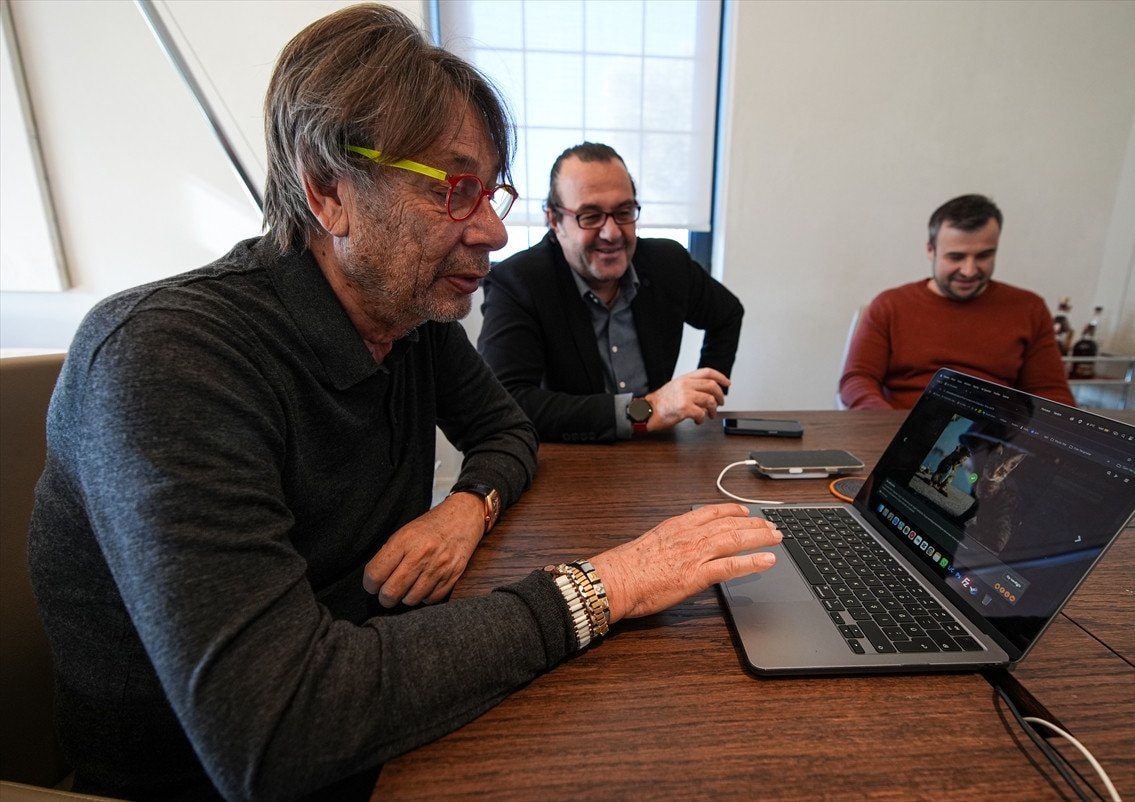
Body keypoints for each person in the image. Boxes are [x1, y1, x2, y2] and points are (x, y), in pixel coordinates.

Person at [26, 6, 779, 800]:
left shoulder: (409, 318)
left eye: (490, 192)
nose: (493, 231)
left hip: (378, 692)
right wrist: (605, 586)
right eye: (455, 189)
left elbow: (507, 429)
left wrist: (467, 507)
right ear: (329, 191)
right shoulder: (165, 358)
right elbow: (276, 727)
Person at [476, 142, 744, 442]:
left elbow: (728, 314)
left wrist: (706, 393)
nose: (612, 233)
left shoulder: (668, 263)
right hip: (572, 451)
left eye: (624, 212)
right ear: (554, 220)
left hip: (658, 448)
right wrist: (647, 410)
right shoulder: (518, 282)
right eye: (590, 216)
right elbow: (505, 401)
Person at [838, 194, 1075, 410]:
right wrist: (879, 420)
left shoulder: (1029, 308)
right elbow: (858, 378)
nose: (969, 271)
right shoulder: (889, 305)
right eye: (956, 257)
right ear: (930, 250)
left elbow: (1050, 392)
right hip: (901, 426)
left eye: (984, 256)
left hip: (991, 434)